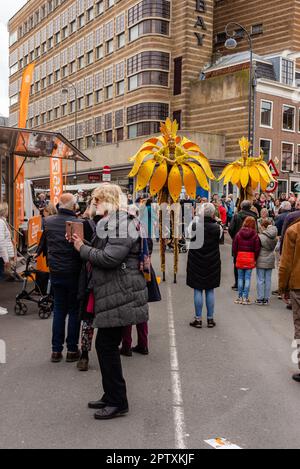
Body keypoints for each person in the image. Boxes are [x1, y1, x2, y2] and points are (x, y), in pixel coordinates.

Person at [72, 184, 149, 420]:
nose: (93, 203)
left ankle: (118, 401)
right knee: (106, 346)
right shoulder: (114, 222)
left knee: (106, 346)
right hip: (116, 292)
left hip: (121, 292)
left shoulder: (122, 224)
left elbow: (109, 258)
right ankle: (111, 395)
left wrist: (81, 248)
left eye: (96, 199)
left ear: (108, 200)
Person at [37, 193, 82, 363]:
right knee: (73, 310)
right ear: (73, 206)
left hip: (56, 272)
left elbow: (45, 245)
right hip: (74, 272)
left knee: (59, 310)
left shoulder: (48, 222)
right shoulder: (79, 223)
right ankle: (72, 349)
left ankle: (56, 351)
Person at [187, 203, 222, 329]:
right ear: (213, 214)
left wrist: (196, 217)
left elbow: (188, 234)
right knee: (210, 289)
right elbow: (219, 238)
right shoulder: (218, 228)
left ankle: (198, 319)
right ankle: (210, 319)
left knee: (197, 289)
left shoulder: (194, 225)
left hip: (196, 260)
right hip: (212, 261)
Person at [279, 220, 300, 383]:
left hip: (298, 284)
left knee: (299, 325)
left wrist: (283, 288)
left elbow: (285, 263)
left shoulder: (294, 230)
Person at [229, 200, 258, 290]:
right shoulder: (254, 216)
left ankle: (237, 283)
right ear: (250, 207)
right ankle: (246, 283)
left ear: (241, 206)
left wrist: (234, 237)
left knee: (237, 262)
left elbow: (231, 229)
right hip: (251, 242)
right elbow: (256, 230)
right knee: (248, 262)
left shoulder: (236, 215)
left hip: (238, 242)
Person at [233, 217, 261, 305]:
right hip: (250, 257)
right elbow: (257, 248)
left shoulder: (238, 233)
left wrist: (236, 255)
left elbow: (234, 247)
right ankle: (245, 298)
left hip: (240, 256)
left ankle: (239, 297)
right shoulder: (255, 235)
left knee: (240, 278)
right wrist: (255, 258)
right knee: (247, 278)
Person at [255, 220, 278, 306]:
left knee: (260, 279)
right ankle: (266, 298)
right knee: (268, 279)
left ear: (264, 227)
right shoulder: (275, 238)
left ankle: (260, 298)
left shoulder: (260, 237)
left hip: (261, 258)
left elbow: (257, 248)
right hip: (270, 258)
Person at [0, 203, 15, 282]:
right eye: (7, 210)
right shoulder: (1, 222)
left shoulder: (3, 221)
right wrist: (6, 259)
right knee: (3, 283)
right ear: (4, 211)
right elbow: (1, 242)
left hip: (3, 257)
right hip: (2, 258)